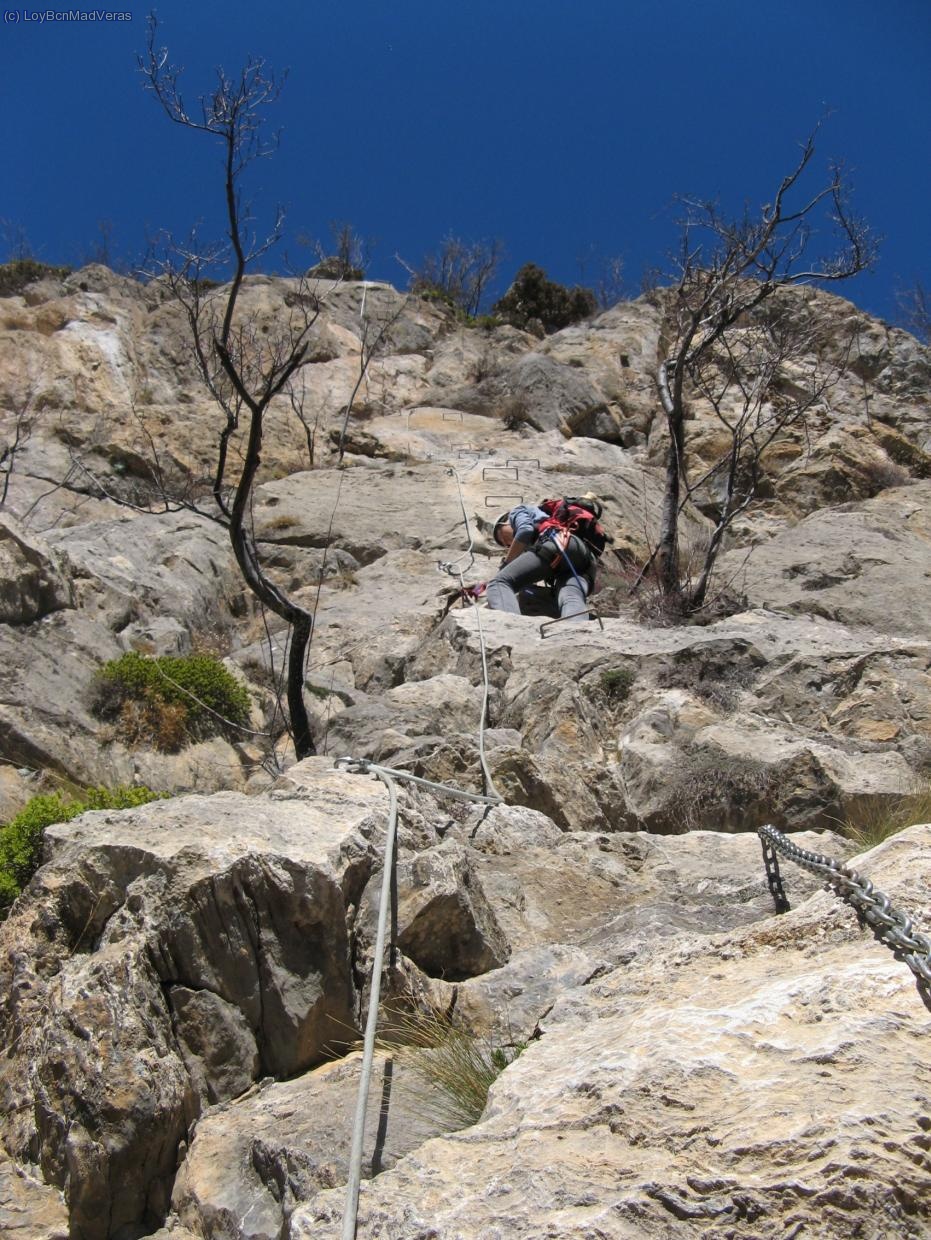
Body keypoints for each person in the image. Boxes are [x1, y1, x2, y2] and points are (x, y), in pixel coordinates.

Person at [485, 496, 608, 622]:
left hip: (560, 543)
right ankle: (577, 632)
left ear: (505, 522)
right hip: (586, 561)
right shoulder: (544, 525)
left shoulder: (517, 511)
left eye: (502, 538)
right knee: (571, 596)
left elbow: (525, 530)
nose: (508, 545)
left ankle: (512, 628)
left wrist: (506, 565)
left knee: (499, 582)